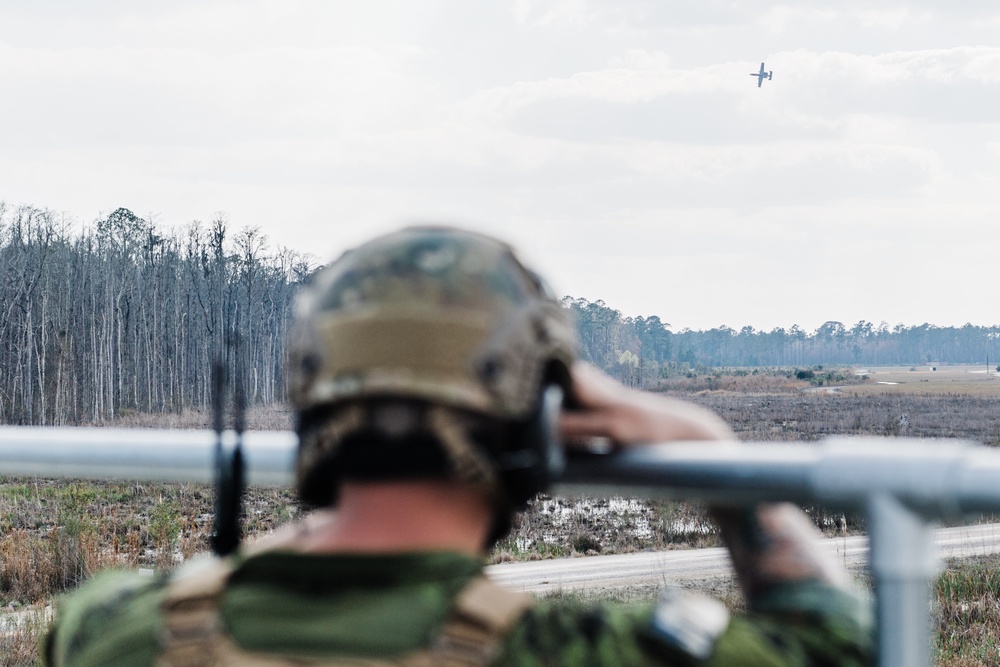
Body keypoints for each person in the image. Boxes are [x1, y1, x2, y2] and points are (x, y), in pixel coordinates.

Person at [44, 227, 872, 666]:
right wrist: (708, 442)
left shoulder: (111, 628)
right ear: (540, 419)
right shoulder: (562, 652)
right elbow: (843, 645)